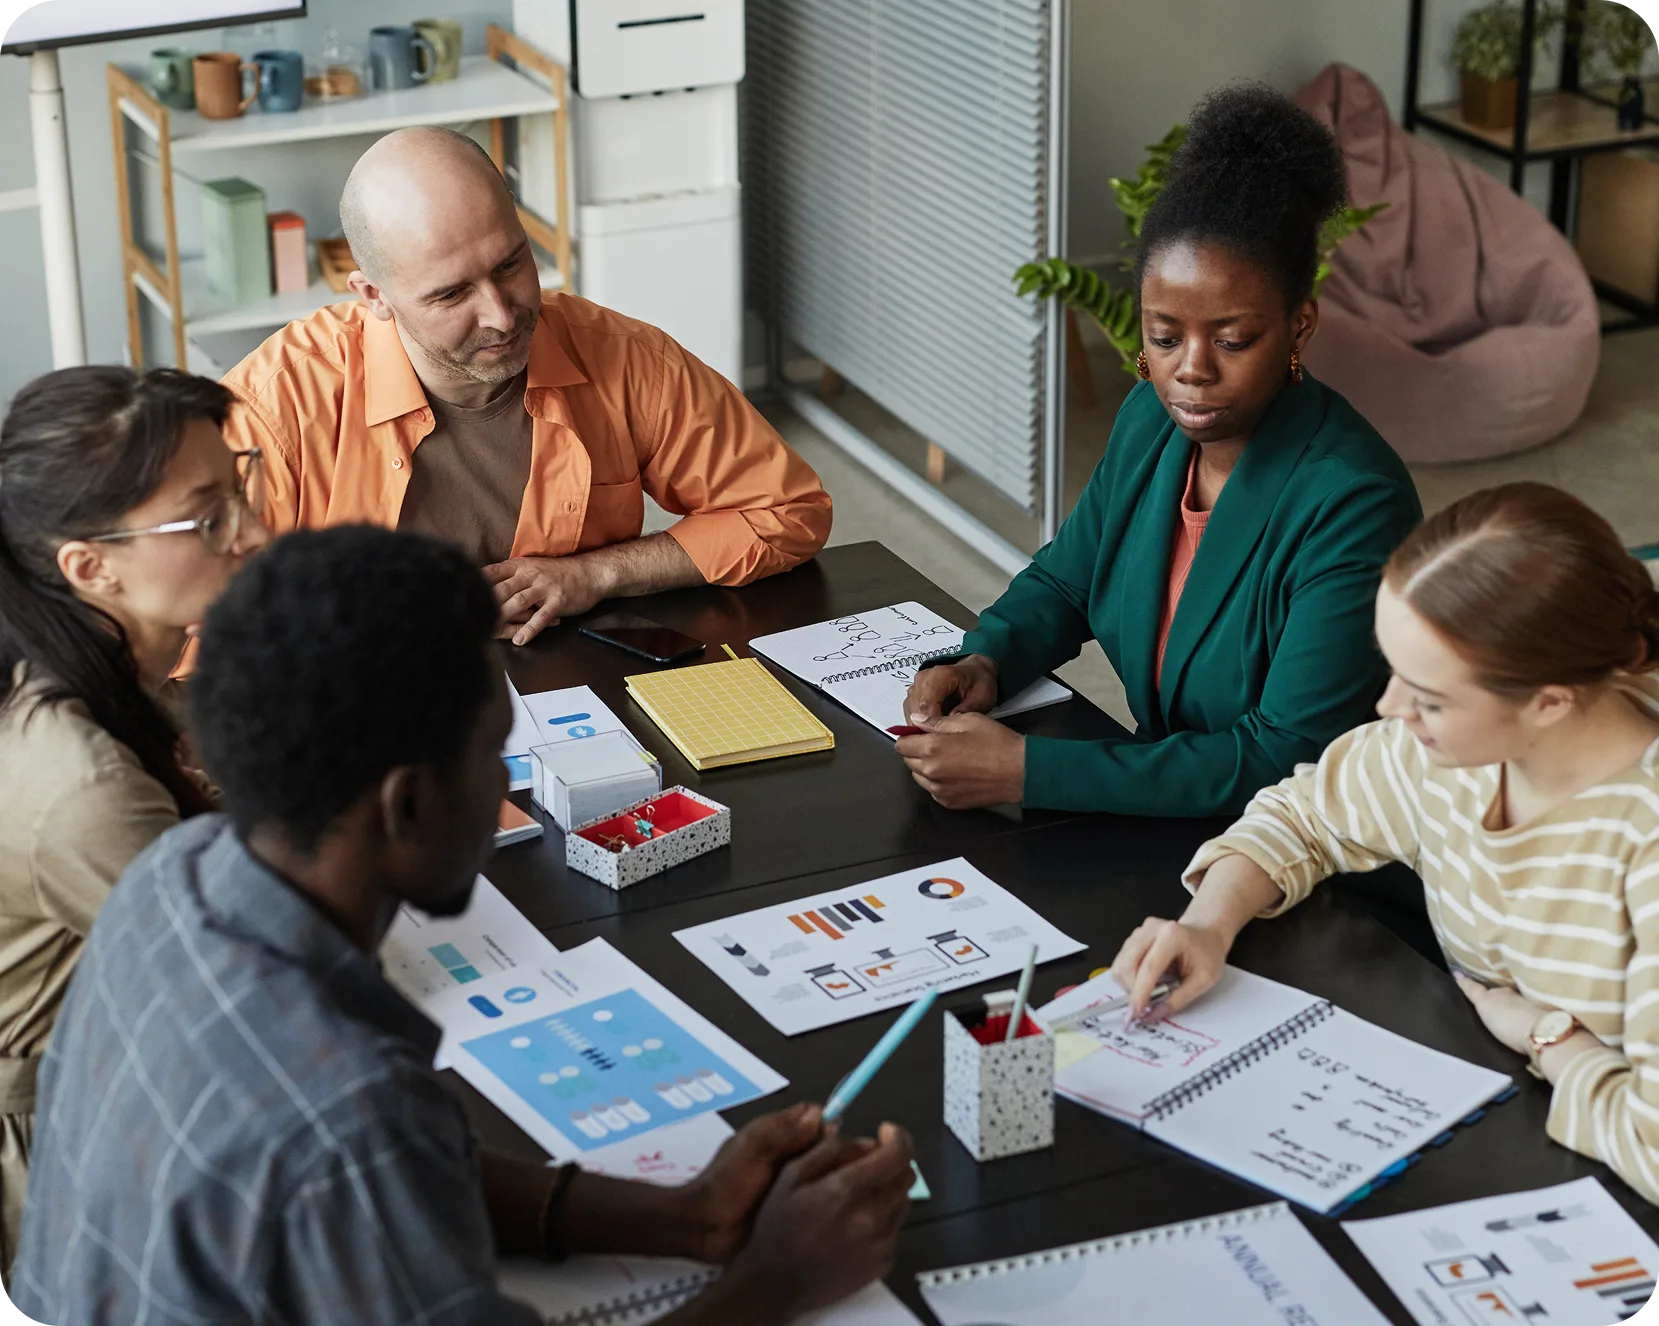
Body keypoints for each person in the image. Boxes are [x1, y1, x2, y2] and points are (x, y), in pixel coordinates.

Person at [10, 526, 914, 1323]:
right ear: (407, 804)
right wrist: (773, 1282)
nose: (507, 788)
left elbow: (401, 1178)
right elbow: (363, 1155)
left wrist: (691, 1217)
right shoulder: (351, 1116)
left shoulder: (173, 877)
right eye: (494, 756)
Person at [1110, 483, 1659, 1203]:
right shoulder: (1447, 753)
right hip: (1498, 1122)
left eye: (1427, 697)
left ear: (1548, 702)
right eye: (1393, 670)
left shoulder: (1639, 845)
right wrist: (1207, 925)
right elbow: (1304, 813)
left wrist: (1548, 1038)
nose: (1387, 708)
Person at [898, 84, 1420, 816]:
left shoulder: (1353, 503)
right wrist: (986, 658)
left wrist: (1032, 772)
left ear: (1299, 326)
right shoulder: (1150, 418)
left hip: (1301, 851)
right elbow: (1070, 581)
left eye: (1232, 339)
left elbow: (1283, 757)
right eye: (1164, 336)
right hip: (1166, 812)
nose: (1190, 369)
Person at [220, 126, 831, 647]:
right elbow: (199, 629)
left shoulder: (622, 357)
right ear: (374, 297)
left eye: (511, 264)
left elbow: (785, 510)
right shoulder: (275, 409)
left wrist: (595, 575)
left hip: (569, 679)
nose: (503, 316)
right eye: (452, 293)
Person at [0, 366, 270, 1285]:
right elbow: (247, 980)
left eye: (241, 489)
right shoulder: (82, 782)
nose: (255, 532)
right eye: (209, 518)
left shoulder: (99, 660)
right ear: (90, 565)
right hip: (69, 1132)